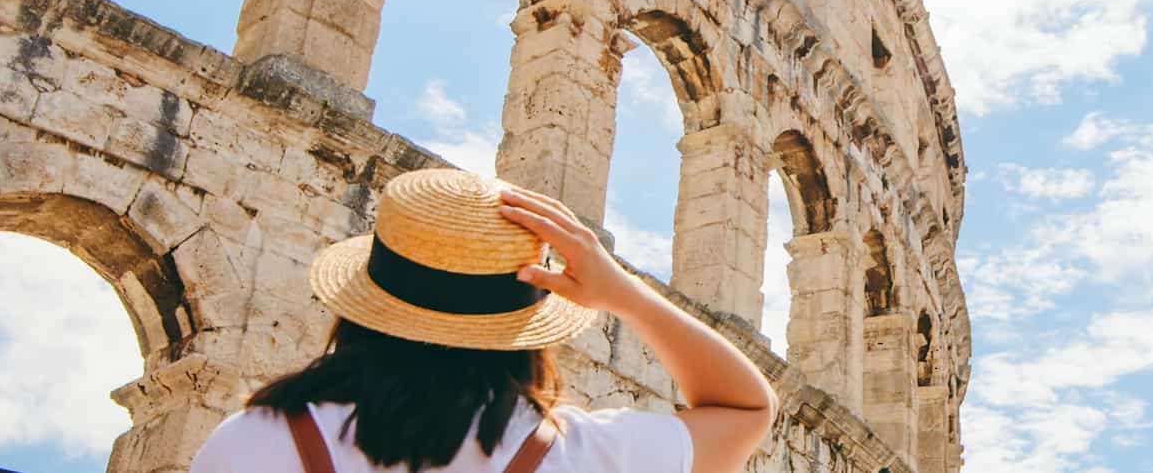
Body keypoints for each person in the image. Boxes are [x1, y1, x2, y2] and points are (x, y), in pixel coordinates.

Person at [190, 169, 777, 473]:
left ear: (363, 308)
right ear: (521, 330)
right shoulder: (590, 454)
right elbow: (746, 409)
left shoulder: (253, 442)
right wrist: (626, 294)